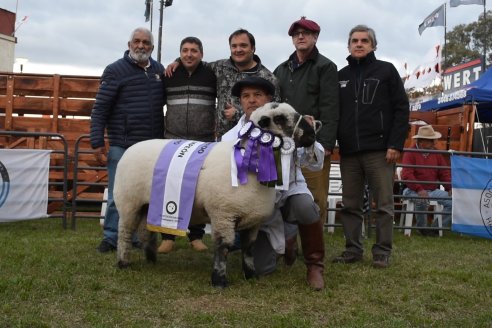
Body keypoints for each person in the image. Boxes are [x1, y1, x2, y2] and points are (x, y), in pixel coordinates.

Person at [222, 76, 326, 290]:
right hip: (258, 208)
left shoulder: (289, 124)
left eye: (257, 95)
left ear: (269, 99)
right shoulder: (229, 138)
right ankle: (286, 239)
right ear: (240, 101)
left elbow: (314, 163)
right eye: (245, 96)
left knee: (305, 207)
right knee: (261, 270)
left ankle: (315, 266)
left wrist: (309, 137)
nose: (251, 100)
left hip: (288, 194)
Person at [334, 25, 409, 268]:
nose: (359, 44)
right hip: (349, 152)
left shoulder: (386, 71)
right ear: (348, 45)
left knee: (384, 204)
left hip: (380, 150)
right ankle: (353, 249)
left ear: (373, 45)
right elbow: (334, 112)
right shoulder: (340, 75)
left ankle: (382, 252)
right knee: (350, 204)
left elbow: (401, 109)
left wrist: (395, 143)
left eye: (364, 40)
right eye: (354, 40)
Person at [90, 27, 165, 253]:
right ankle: (112, 236)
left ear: (151, 47)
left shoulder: (159, 70)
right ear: (129, 44)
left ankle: (133, 236)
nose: (141, 46)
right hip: (122, 144)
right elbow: (100, 109)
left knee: (146, 195)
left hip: (149, 149)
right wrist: (96, 141)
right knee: (118, 193)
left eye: (145, 42)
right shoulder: (115, 70)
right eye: (136, 41)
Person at [273, 17, 339, 265]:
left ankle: (313, 251)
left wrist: (325, 143)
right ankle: (288, 244)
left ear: (315, 37)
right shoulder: (281, 69)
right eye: (296, 33)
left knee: (315, 198)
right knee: (284, 196)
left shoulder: (326, 67)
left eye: (306, 33)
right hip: (283, 147)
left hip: (312, 145)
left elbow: (331, 107)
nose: (301, 37)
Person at [158, 36, 217, 253]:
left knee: (197, 190)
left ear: (201, 53)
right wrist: (174, 61)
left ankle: (196, 236)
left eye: (194, 50)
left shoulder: (212, 74)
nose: (189, 54)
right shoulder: (169, 75)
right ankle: (168, 237)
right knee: (168, 188)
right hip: (172, 140)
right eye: (184, 50)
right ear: (180, 53)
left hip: (202, 142)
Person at [166, 28, 279, 138]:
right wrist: (178, 61)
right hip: (223, 140)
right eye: (234, 46)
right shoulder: (219, 67)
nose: (238, 49)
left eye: (243, 45)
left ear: (253, 48)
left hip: (255, 139)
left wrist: (238, 114)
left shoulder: (268, 78)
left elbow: (275, 112)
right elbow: (194, 60)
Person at [401, 125, 452, 236]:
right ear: (421, 142)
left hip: (431, 190)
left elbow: (444, 173)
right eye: (431, 140)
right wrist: (419, 189)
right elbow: (406, 174)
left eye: (433, 140)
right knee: (422, 199)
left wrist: (450, 188)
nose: (434, 143)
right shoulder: (410, 153)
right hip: (411, 190)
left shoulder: (436, 154)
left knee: (454, 201)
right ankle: (423, 228)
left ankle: (434, 229)